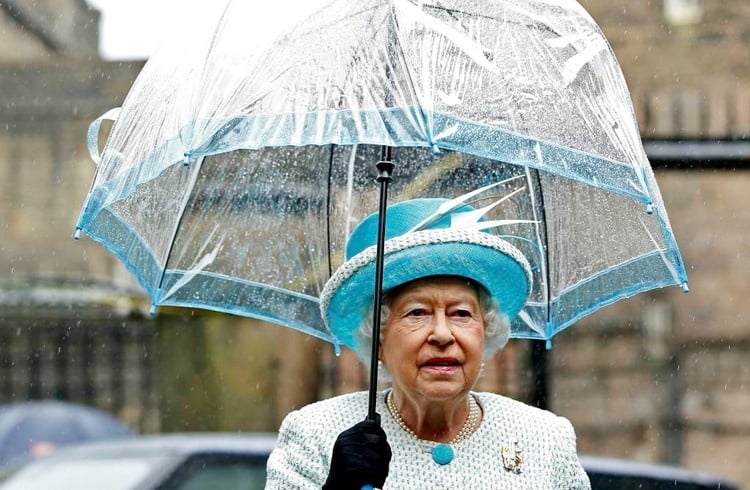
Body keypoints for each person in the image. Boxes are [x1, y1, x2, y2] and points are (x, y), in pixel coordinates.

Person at [266, 198, 590, 489]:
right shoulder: (315, 435)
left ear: (486, 331)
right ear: (377, 337)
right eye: (417, 313)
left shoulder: (545, 439)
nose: (442, 334)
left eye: (461, 313)